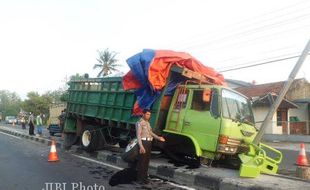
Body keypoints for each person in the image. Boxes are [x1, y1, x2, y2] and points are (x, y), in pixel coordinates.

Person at [135, 109, 165, 184]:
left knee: (146, 161)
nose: (149, 116)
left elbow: (151, 132)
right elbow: (138, 135)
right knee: (142, 161)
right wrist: (141, 146)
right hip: (143, 143)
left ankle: (144, 178)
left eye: (149, 115)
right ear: (143, 114)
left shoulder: (147, 123)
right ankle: (139, 179)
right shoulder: (140, 123)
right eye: (147, 114)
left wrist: (158, 138)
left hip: (148, 143)